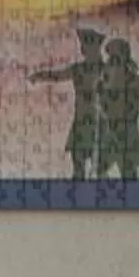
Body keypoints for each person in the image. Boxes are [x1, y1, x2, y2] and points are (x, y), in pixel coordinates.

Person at [29, 28, 109, 179]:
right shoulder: (78, 69)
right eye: (83, 47)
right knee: (78, 166)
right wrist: (39, 76)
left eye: (87, 46)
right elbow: (57, 76)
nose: (84, 50)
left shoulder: (107, 70)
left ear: (96, 48)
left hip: (100, 125)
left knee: (100, 170)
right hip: (81, 124)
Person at [101, 37, 139, 179]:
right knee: (100, 170)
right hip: (111, 135)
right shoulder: (105, 83)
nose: (110, 63)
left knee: (128, 172)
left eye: (115, 59)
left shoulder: (134, 81)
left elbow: (130, 109)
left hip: (126, 136)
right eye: (110, 59)